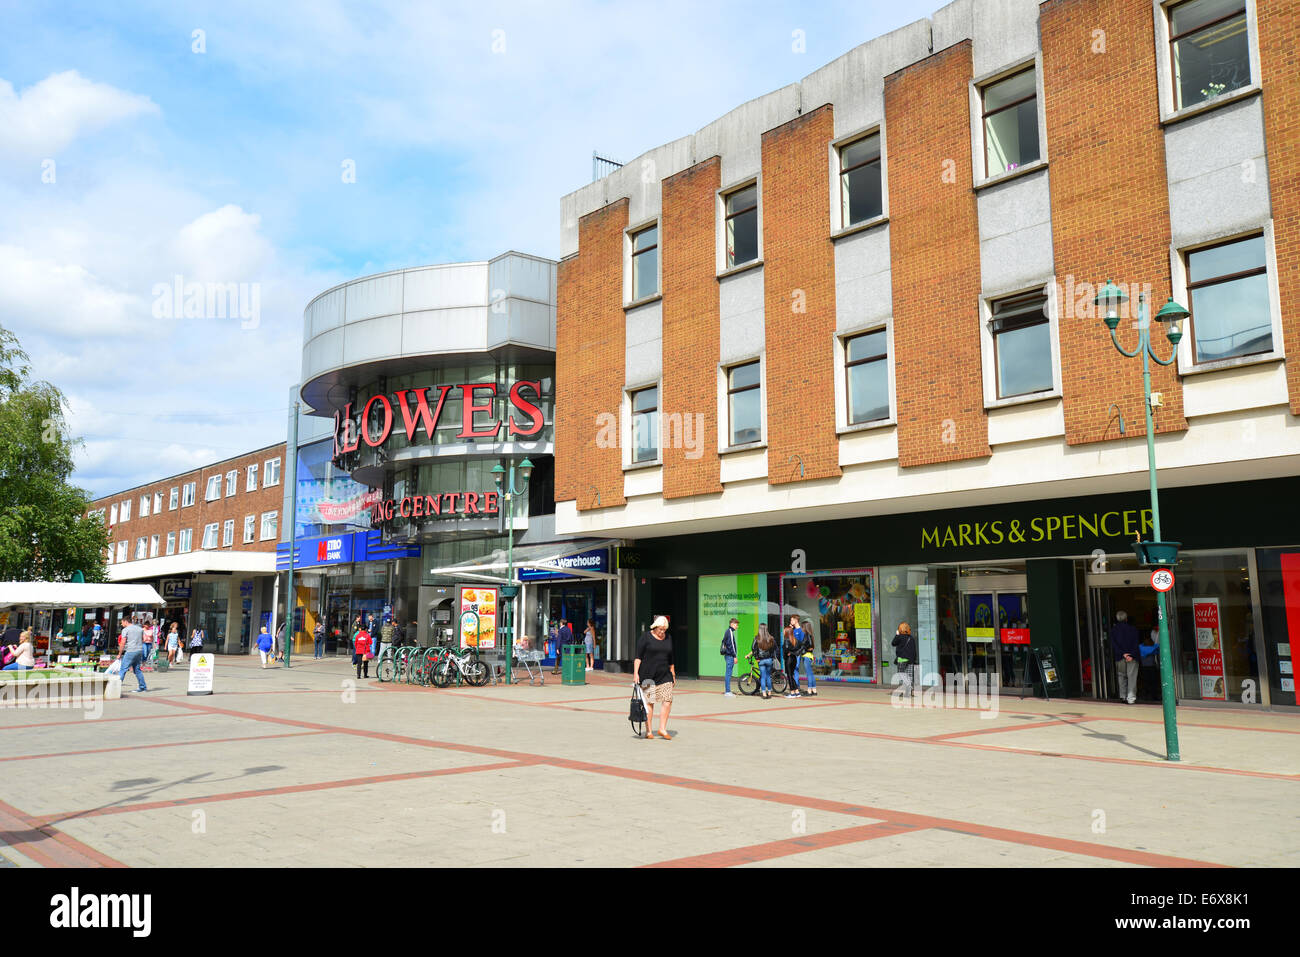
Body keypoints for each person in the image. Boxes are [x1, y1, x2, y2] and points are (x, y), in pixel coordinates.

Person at [633, 616, 676, 739]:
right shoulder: (645, 637)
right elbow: (638, 657)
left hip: (664, 674)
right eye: (660, 629)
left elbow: (671, 657)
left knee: (668, 699)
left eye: (664, 630)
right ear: (655, 627)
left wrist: (673, 673)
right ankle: (649, 731)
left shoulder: (668, 638)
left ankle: (662, 728)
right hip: (648, 674)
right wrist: (636, 673)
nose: (662, 632)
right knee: (650, 703)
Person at [1110, 610, 1140, 705]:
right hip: (1132, 657)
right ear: (1126, 619)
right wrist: (1130, 655)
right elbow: (1136, 643)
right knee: (1132, 677)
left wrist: (1123, 654)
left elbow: (1113, 644)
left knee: (1121, 676)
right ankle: (1131, 698)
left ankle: (1123, 696)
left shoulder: (1113, 630)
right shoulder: (1133, 629)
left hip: (1120, 657)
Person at [119, 615, 148, 693]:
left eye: (122, 622)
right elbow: (144, 639)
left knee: (123, 669)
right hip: (139, 650)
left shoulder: (125, 630)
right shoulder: (140, 629)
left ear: (126, 621)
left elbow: (123, 642)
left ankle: (116, 687)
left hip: (130, 651)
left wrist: (119, 653)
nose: (121, 624)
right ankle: (143, 687)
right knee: (137, 670)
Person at [891, 622, 917, 698]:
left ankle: (909, 687)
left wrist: (897, 635)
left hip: (902, 659)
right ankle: (909, 692)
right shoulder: (911, 638)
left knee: (901, 674)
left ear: (900, 629)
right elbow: (914, 650)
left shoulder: (899, 637)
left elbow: (893, 643)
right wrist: (914, 659)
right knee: (909, 676)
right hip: (910, 660)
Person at [753, 623, 777, 700]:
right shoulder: (771, 638)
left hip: (761, 660)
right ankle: (769, 692)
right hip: (769, 659)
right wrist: (772, 656)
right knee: (768, 676)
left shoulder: (757, 638)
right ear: (766, 629)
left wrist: (756, 657)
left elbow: (753, 648)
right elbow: (775, 648)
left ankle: (764, 693)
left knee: (763, 677)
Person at [783, 616, 803, 698]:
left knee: (790, 676)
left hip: (789, 659)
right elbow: (800, 647)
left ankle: (792, 692)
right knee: (792, 675)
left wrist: (789, 653)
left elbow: (786, 649)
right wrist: (795, 653)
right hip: (794, 658)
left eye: (784, 631)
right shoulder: (795, 640)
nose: (783, 632)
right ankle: (797, 691)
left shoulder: (787, 640)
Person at [798, 617, 818, 696]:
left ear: (805, 627)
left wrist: (802, 648)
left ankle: (809, 690)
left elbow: (806, 646)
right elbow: (812, 646)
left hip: (806, 655)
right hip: (809, 655)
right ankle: (814, 689)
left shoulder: (806, 635)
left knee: (809, 673)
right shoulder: (810, 635)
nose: (801, 628)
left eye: (802, 627)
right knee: (811, 673)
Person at [720, 617, 739, 696]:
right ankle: (727, 691)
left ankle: (728, 691)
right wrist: (734, 656)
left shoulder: (728, 631)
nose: (737, 626)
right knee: (728, 673)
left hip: (728, 655)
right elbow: (731, 645)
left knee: (728, 673)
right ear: (732, 624)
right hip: (729, 656)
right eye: (736, 625)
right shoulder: (730, 632)